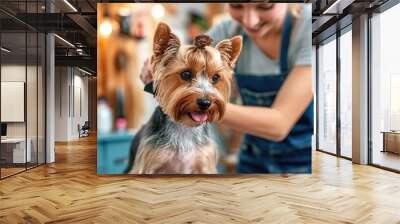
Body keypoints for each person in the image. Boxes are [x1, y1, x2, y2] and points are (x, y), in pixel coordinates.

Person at [140, 3, 313, 173]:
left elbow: (279, 125)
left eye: (264, 7)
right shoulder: (227, 32)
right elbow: (187, 58)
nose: (249, 21)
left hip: (304, 164)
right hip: (251, 161)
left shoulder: (309, 25)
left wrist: (197, 105)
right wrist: (157, 66)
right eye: (237, 6)